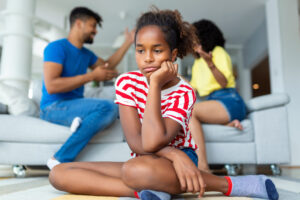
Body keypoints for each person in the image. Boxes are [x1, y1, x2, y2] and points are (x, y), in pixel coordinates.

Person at [48, 8, 279, 200]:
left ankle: (226, 184)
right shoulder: (126, 82)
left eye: (157, 50)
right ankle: (151, 192)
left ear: (173, 54)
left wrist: (155, 86)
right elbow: (138, 144)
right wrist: (172, 154)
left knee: (133, 170)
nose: (147, 58)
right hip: (146, 160)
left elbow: (152, 140)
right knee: (58, 173)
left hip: (180, 159)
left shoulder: (184, 91)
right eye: (140, 50)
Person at [40, 7, 135, 169]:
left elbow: (108, 66)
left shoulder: (86, 54)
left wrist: (128, 42)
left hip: (75, 104)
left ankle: (79, 120)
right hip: (52, 107)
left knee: (123, 107)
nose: (95, 31)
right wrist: (91, 76)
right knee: (107, 108)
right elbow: (51, 86)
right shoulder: (56, 48)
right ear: (78, 24)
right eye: (92, 25)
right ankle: (59, 159)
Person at [189, 19, 248, 172]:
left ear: (203, 37)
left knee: (191, 111)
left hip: (229, 100)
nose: (191, 41)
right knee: (184, 111)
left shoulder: (218, 53)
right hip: (213, 103)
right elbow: (190, 89)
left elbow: (223, 83)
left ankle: (203, 167)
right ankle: (229, 124)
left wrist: (211, 64)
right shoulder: (197, 63)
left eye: (194, 37)